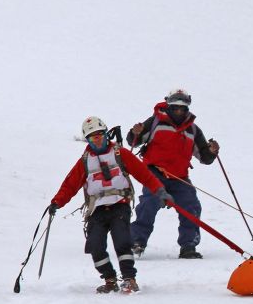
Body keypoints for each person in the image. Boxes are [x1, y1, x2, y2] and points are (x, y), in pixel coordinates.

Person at [50, 117, 172, 293]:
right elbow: (70, 185)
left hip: (119, 205)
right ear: (88, 140)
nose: (97, 141)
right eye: (93, 138)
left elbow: (144, 174)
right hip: (97, 209)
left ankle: (129, 279)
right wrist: (57, 202)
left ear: (107, 135)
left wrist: (160, 191)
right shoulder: (84, 161)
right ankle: (110, 279)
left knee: (122, 242)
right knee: (95, 246)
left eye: (100, 135)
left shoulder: (120, 154)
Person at [126, 88, 220, 259]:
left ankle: (188, 246)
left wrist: (212, 152)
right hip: (154, 173)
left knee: (191, 206)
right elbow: (134, 141)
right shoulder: (156, 122)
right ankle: (136, 241)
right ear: (169, 106)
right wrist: (135, 133)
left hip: (180, 177)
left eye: (182, 108)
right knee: (149, 202)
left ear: (187, 108)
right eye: (175, 107)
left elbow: (204, 157)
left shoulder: (193, 130)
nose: (178, 111)